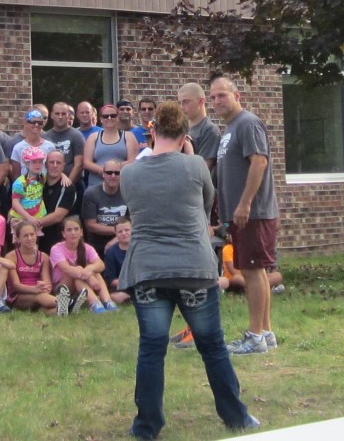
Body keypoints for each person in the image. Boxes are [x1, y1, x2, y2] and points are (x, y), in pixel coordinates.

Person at [118, 100, 258, 438]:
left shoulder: (129, 172)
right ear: (184, 136)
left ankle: (146, 427)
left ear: (153, 132)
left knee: (151, 347)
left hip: (147, 268)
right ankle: (236, 417)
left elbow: (134, 207)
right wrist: (190, 153)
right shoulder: (195, 165)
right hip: (193, 267)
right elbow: (207, 203)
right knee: (212, 345)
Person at [211, 76, 279, 355]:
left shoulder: (248, 123)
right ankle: (265, 333)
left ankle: (255, 337)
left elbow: (259, 162)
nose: (217, 101)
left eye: (222, 95)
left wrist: (245, 203)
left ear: (236, 96)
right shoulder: (230, 128)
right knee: (256, 271)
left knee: (252, 271)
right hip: (240, 215)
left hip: (253, 213)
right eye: (213, 97)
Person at [49, 216, 117, 313]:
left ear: (81, 232)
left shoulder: (87, 247)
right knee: (77, 274)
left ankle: (107, 301)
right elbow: (67, 269)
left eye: (76, 229)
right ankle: (94, 303)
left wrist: (90, 268)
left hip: (81, 285)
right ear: (63, 234)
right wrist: (88, 277)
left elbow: (101, 265)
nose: (73, 233)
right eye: (69, 230)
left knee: (94, 271)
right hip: (62, 288)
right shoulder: (56, 249)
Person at [5, 221, 59, 313]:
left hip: (40, 292)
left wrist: (44, 289)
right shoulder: (11, 256)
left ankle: (52, 310)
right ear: (18, 238)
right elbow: (16, 285)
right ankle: (67, 304)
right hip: (19, 296)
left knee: (50, 308)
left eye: (32, 234)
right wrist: (34, 289)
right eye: (25, 236)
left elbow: (47, 283)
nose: (30, 238)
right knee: (40, 296)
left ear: (36, 235)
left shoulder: (44, 257)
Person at [82, 103, 137, 189]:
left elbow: (133, 160)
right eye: (105, 116)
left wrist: (112, 169)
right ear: (101, 119)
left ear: (117, 117)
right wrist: (103, 171)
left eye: (113, 115)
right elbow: (86, 163)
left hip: (121, 186)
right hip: (96, 185)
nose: (109, 118)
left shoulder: (128, 136)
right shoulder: (93, 137)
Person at [80, 158, 127, 258]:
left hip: (123, 241)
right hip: (97, 243)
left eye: (117, 173)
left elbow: (133, 223)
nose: (113, 176)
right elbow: (90, 226)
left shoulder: (128, 193)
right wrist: (120, 231)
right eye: (109, 172)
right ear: (103, 174)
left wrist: (117, 237)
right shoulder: (91, 194)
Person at [37, 151, 75, 255]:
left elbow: (57, 216)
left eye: (58, 163)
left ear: (63, 166)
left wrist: (31, 224)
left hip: (56, 238)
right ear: (45, 165)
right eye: (51, 162)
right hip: (36, 237)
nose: (54, 165)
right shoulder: (37, 182)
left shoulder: (67, 187)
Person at [102, 216, 131, 305]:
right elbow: (110, 279)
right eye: (120, 231)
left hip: (140, 284)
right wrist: (127, 283)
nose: (124, 233)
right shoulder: (111, 252)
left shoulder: (140, 249)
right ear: (116, 233)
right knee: (117, 296)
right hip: (121, 286)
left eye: (127, 230)